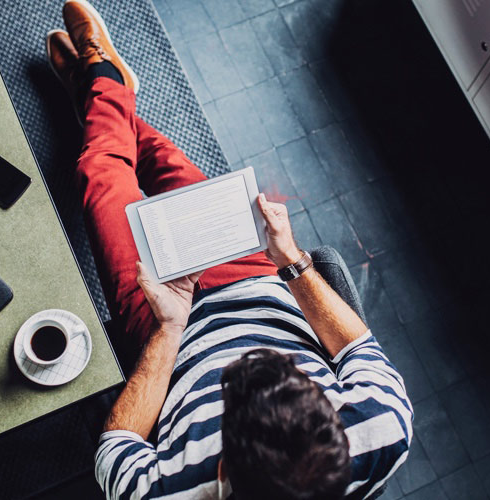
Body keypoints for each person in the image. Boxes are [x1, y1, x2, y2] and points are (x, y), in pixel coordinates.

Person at [47, 1, 414, 498]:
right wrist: (292, 263)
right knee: (171, 168)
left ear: (223, 475)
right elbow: (357, 349)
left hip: (168, 324)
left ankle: (104, 89)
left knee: (102, 176)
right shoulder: (384, 429)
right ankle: (103, 91)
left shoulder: (165, 493)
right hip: (261, 279)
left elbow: (117, 442)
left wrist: (172, 326)